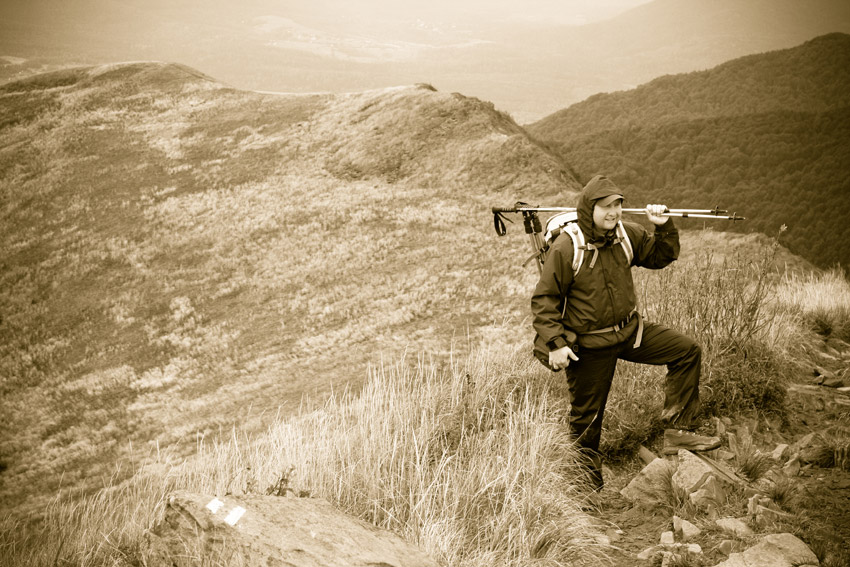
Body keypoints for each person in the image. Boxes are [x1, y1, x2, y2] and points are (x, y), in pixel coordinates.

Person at [531, 175, 720, 491]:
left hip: (630, 332)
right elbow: (544, 299)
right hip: (589, 345)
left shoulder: (624, 235)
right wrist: (555, 343)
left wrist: (663, 226)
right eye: (606, 207)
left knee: (686, 350)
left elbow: (661, 255)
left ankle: (678, 432)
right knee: (587, 423)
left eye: (618, 205)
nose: (614, 212)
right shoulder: (567, 247)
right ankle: (587, 490)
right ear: (590, 208)